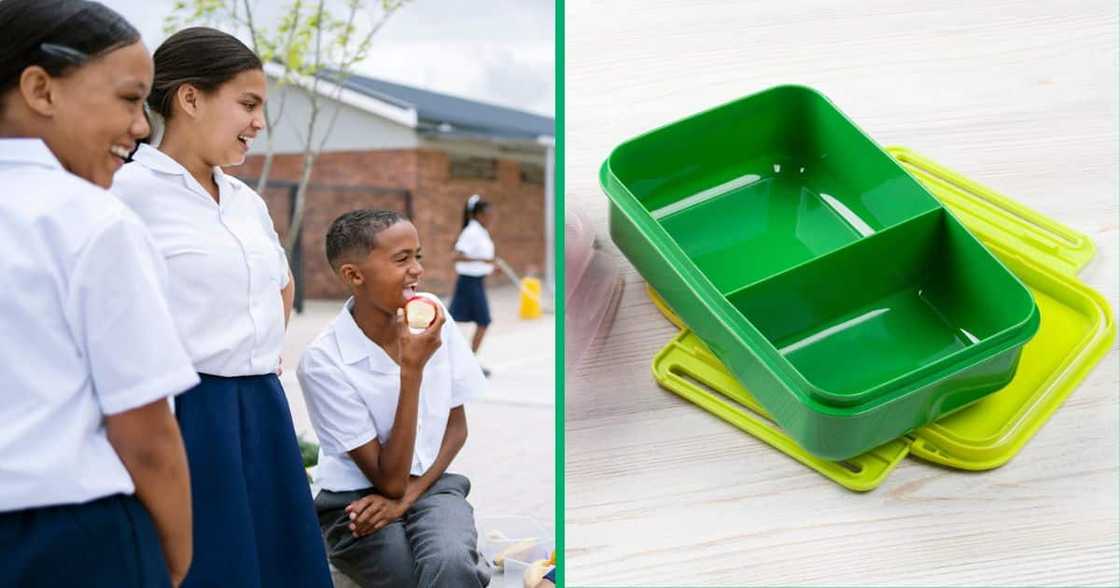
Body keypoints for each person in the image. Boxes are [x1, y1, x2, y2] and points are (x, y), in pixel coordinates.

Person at [110, 26, 331, 588]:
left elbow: (280, 284)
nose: (259, 123)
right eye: (248, 104)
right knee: (214, 566)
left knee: (280, 563)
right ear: (189, 98)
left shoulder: (245, 201)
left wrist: (255, 348)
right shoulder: (126, 193)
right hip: (185, 416)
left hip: (262, 407)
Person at [0, 1, 199, 586]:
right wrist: (173, 562)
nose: (142, 127)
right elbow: (145, 433)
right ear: (41, 88)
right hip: (67, 542)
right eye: (129, 99)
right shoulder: (91, 221)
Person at [298, 209, 491, 588]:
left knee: (450, 562)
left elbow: (456, 428)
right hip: (354, 505)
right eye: (402, 259)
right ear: (354, 275)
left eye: (417, 255)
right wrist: (411, 371)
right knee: (411, 577)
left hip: (433, 484)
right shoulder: (323, 361)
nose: (417, 269)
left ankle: (466, 561)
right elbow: (388, 483)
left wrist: (406, 501)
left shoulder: (434, 316)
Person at [449, 194, 497, 375]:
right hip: (468, 283)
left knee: (461, 321)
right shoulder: (471, 231)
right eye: (487, 215)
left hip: (477, 282)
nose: (490, 219)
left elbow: (481, 259)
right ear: (477, 215)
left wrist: (490, 267)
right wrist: (484, 261)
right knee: (482, 321)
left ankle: (465, 362)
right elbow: (456, 255)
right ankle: (465, 362)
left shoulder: (481, 231)